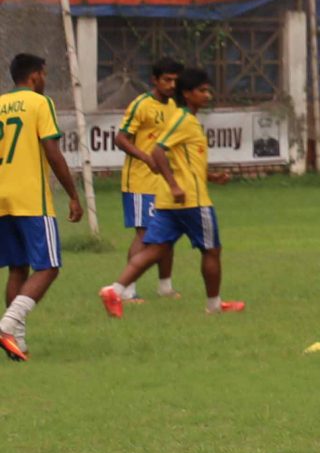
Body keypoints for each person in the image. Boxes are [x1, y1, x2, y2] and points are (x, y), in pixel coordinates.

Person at [101, 68, 244, 318]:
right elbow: (157, 151)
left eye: (208, 90)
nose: (207, 95)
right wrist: (176, 186)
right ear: (187, 94)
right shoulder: (184, 120)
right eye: (202, 90)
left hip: (170, 202)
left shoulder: (181, 118)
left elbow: (180, 161)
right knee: (211, 250)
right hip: (191, 201)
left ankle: (115, 290)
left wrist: (211, 177)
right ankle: (214, 305)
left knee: (155, 249)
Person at [0, 53, 85, 361]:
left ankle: (17, 346)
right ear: (35, 75)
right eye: (44, 75)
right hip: (30, 198)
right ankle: (7, 325)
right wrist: (73, 195)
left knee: (17, 268)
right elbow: (52, 151)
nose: (45, 80)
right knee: (48, 267)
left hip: (2, 199)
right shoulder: (39, 103)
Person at [111, 57, 183, 299]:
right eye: (167, 80)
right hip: (140, 182)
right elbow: (120, 138)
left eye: (175, 80)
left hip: (165, 182)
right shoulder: (141, 104)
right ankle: (127, 291)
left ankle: (165, 287)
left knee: (169, 234)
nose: (171, 84)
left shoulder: (174, 106)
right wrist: (145, 157)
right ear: (154, 80)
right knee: (145, 235)